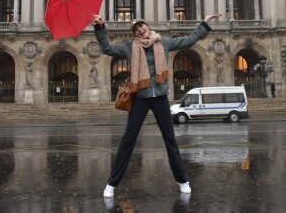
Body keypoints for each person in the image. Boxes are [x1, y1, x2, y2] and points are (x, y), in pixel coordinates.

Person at [93, 12, 221, 198]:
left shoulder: (164, 42)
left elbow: (188, 41)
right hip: (140, 98)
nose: (140, 30)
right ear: (135, 34)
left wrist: (204, 23)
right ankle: (112, 183)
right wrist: (100, 27)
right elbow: (108, 49)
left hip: (160, 97)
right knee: (128, 139)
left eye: (142, 26)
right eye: (136, 29)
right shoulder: (130, 47)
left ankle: (182, 180)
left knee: (170, 139)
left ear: (148, 27)